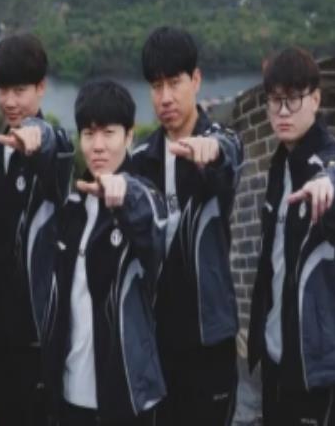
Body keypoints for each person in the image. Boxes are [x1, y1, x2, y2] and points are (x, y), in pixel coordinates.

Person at [132, 26, 243, 425]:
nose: (165, 97)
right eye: (156, 86)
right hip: (158, 340)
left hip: (209, 339)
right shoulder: (141, 159)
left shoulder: (220, 142)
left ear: (195, 80)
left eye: (174, 83)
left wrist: (211, 151)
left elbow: (229, 156)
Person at [42, 79, 167, 426]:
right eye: (88, 134)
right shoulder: (72, 209)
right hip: (70, 397)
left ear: (129, 137)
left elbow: (153, 225)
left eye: (109, 133)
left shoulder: (145, 198)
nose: (97, 146)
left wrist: (125, 191)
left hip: (126, 397)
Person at [248, 47, 335, 425]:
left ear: (315, 99)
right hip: (276, 356)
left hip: (315, 364)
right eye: (274, 100)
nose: (282, 111)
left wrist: (327, 185)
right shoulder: (279, 165)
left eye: (292, 99)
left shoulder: (328, 158)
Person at [0, 33, 74, 426]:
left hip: (42, 333)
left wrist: (38, 136)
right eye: (3, 90)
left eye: (20, 90)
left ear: (41, 88)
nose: (10, 101)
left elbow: (53, 146)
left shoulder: (58, 148)